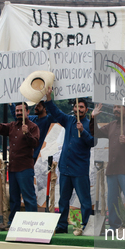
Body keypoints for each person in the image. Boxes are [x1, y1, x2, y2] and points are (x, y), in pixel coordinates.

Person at [45, 87, 94, 233]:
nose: (78, 109)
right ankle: (61, 225)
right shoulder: (69, 120)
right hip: (65, 168)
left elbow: (92, 142)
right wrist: (48, 98)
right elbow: (56, 112)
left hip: (80, 170)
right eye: (76, 106)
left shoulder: (90, 124)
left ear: (86, 109)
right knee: (63, 200)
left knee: (84, 201)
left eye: (81, 107)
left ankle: (85, 226)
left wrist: (82, 131)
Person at [0, 102, 40, 226]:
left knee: (28, 197)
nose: (19, 113)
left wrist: (27, 134)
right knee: (13, 198)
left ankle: (33, 223)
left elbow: (35, 143)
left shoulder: (33, 127)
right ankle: (13, 222)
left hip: (25, 168)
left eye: (21, 111)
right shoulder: (12, 125)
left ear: (27, 112)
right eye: (17, 111)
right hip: (13, 168)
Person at [93, 105, 125, 230]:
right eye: (114, 107)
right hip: (112, 169)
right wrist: (94, 118)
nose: (115, 110)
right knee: (112, 200)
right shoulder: (111, 124)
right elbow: (96, 132)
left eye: (119, 107)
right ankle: (114, 227)